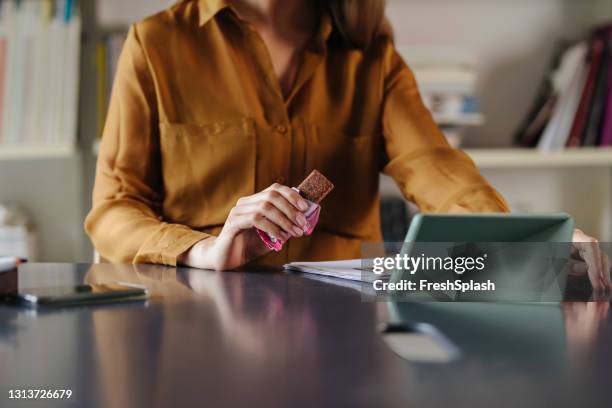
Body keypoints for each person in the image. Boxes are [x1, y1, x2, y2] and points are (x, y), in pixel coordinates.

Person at [85, 0, 611, 291]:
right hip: (198, 318)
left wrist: (524, 237)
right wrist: (200, 249)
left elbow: (433, 164)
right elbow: (113, 209)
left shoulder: (371, 54)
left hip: (344, 327)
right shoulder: (156, 44)